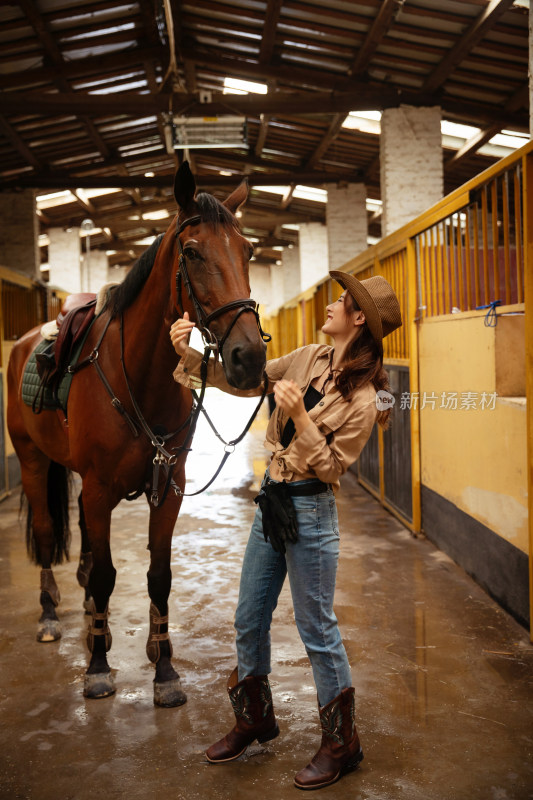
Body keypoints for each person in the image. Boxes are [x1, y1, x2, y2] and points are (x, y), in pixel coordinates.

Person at [170, 271, 402, 791]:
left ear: (358, 319)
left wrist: (301, 413)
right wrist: (190, 355)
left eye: (341, 302)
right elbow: (245, 379)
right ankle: (255, 719)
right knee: (249, 615)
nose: (331, 305)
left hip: (312, 513)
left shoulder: (366, 399)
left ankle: (343, 744)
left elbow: (332, 468)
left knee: (316, 628)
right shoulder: (306, 357)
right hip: (272, 504)